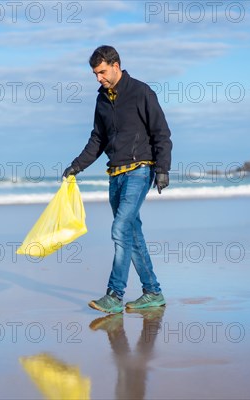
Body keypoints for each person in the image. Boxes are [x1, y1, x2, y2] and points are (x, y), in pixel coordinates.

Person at [63, 45, 172, 314]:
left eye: (101, 72)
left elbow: (161, 132)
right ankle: (153, 292)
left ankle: (114, 295)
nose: (98, 78)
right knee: (132, 235)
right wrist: (76, 166)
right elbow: (97, 139)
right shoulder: (101, 99)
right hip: (115, 176)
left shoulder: (141, 92)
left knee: (120, 229)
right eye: (94, 74)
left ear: (115, 65)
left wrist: (163, 169)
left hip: (139, 171)